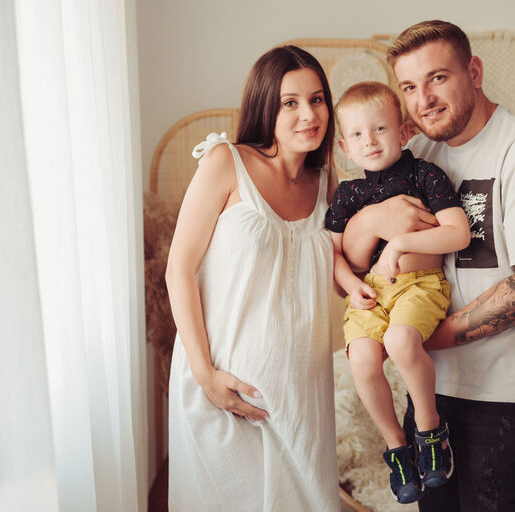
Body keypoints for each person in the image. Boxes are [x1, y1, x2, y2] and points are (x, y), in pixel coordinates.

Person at [342, 21, 515, 511]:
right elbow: (358, 258)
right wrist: (369, 219)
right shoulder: (415, 155)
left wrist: (423, 337)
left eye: (437, 78)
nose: (424, 99)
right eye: (409, 87)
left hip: (508, 390)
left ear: (474, 72)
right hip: (432, 386)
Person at [165, 45, 340, 512]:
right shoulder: (227, 162)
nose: (309, 114)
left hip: (302, 397)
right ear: (266, 107)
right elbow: (178, 269)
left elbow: (346, 273)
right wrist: (205, 375)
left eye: (317, 99)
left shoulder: (327, 182)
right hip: (223, 389)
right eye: (290, 102)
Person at [326, 81, 471, 504]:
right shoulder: (348, 195)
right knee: (362, 359)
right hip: (372, 291)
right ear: (344, 147)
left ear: (404, 132)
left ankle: (430, 432)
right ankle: (397, 448)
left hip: (419, 285)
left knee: (400, 341)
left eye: (380, 129)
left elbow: (458, 233)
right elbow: (332, 254)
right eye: (356, 134)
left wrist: (400, 245)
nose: (369, 141)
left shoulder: (425, 174)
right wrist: (353, 286)